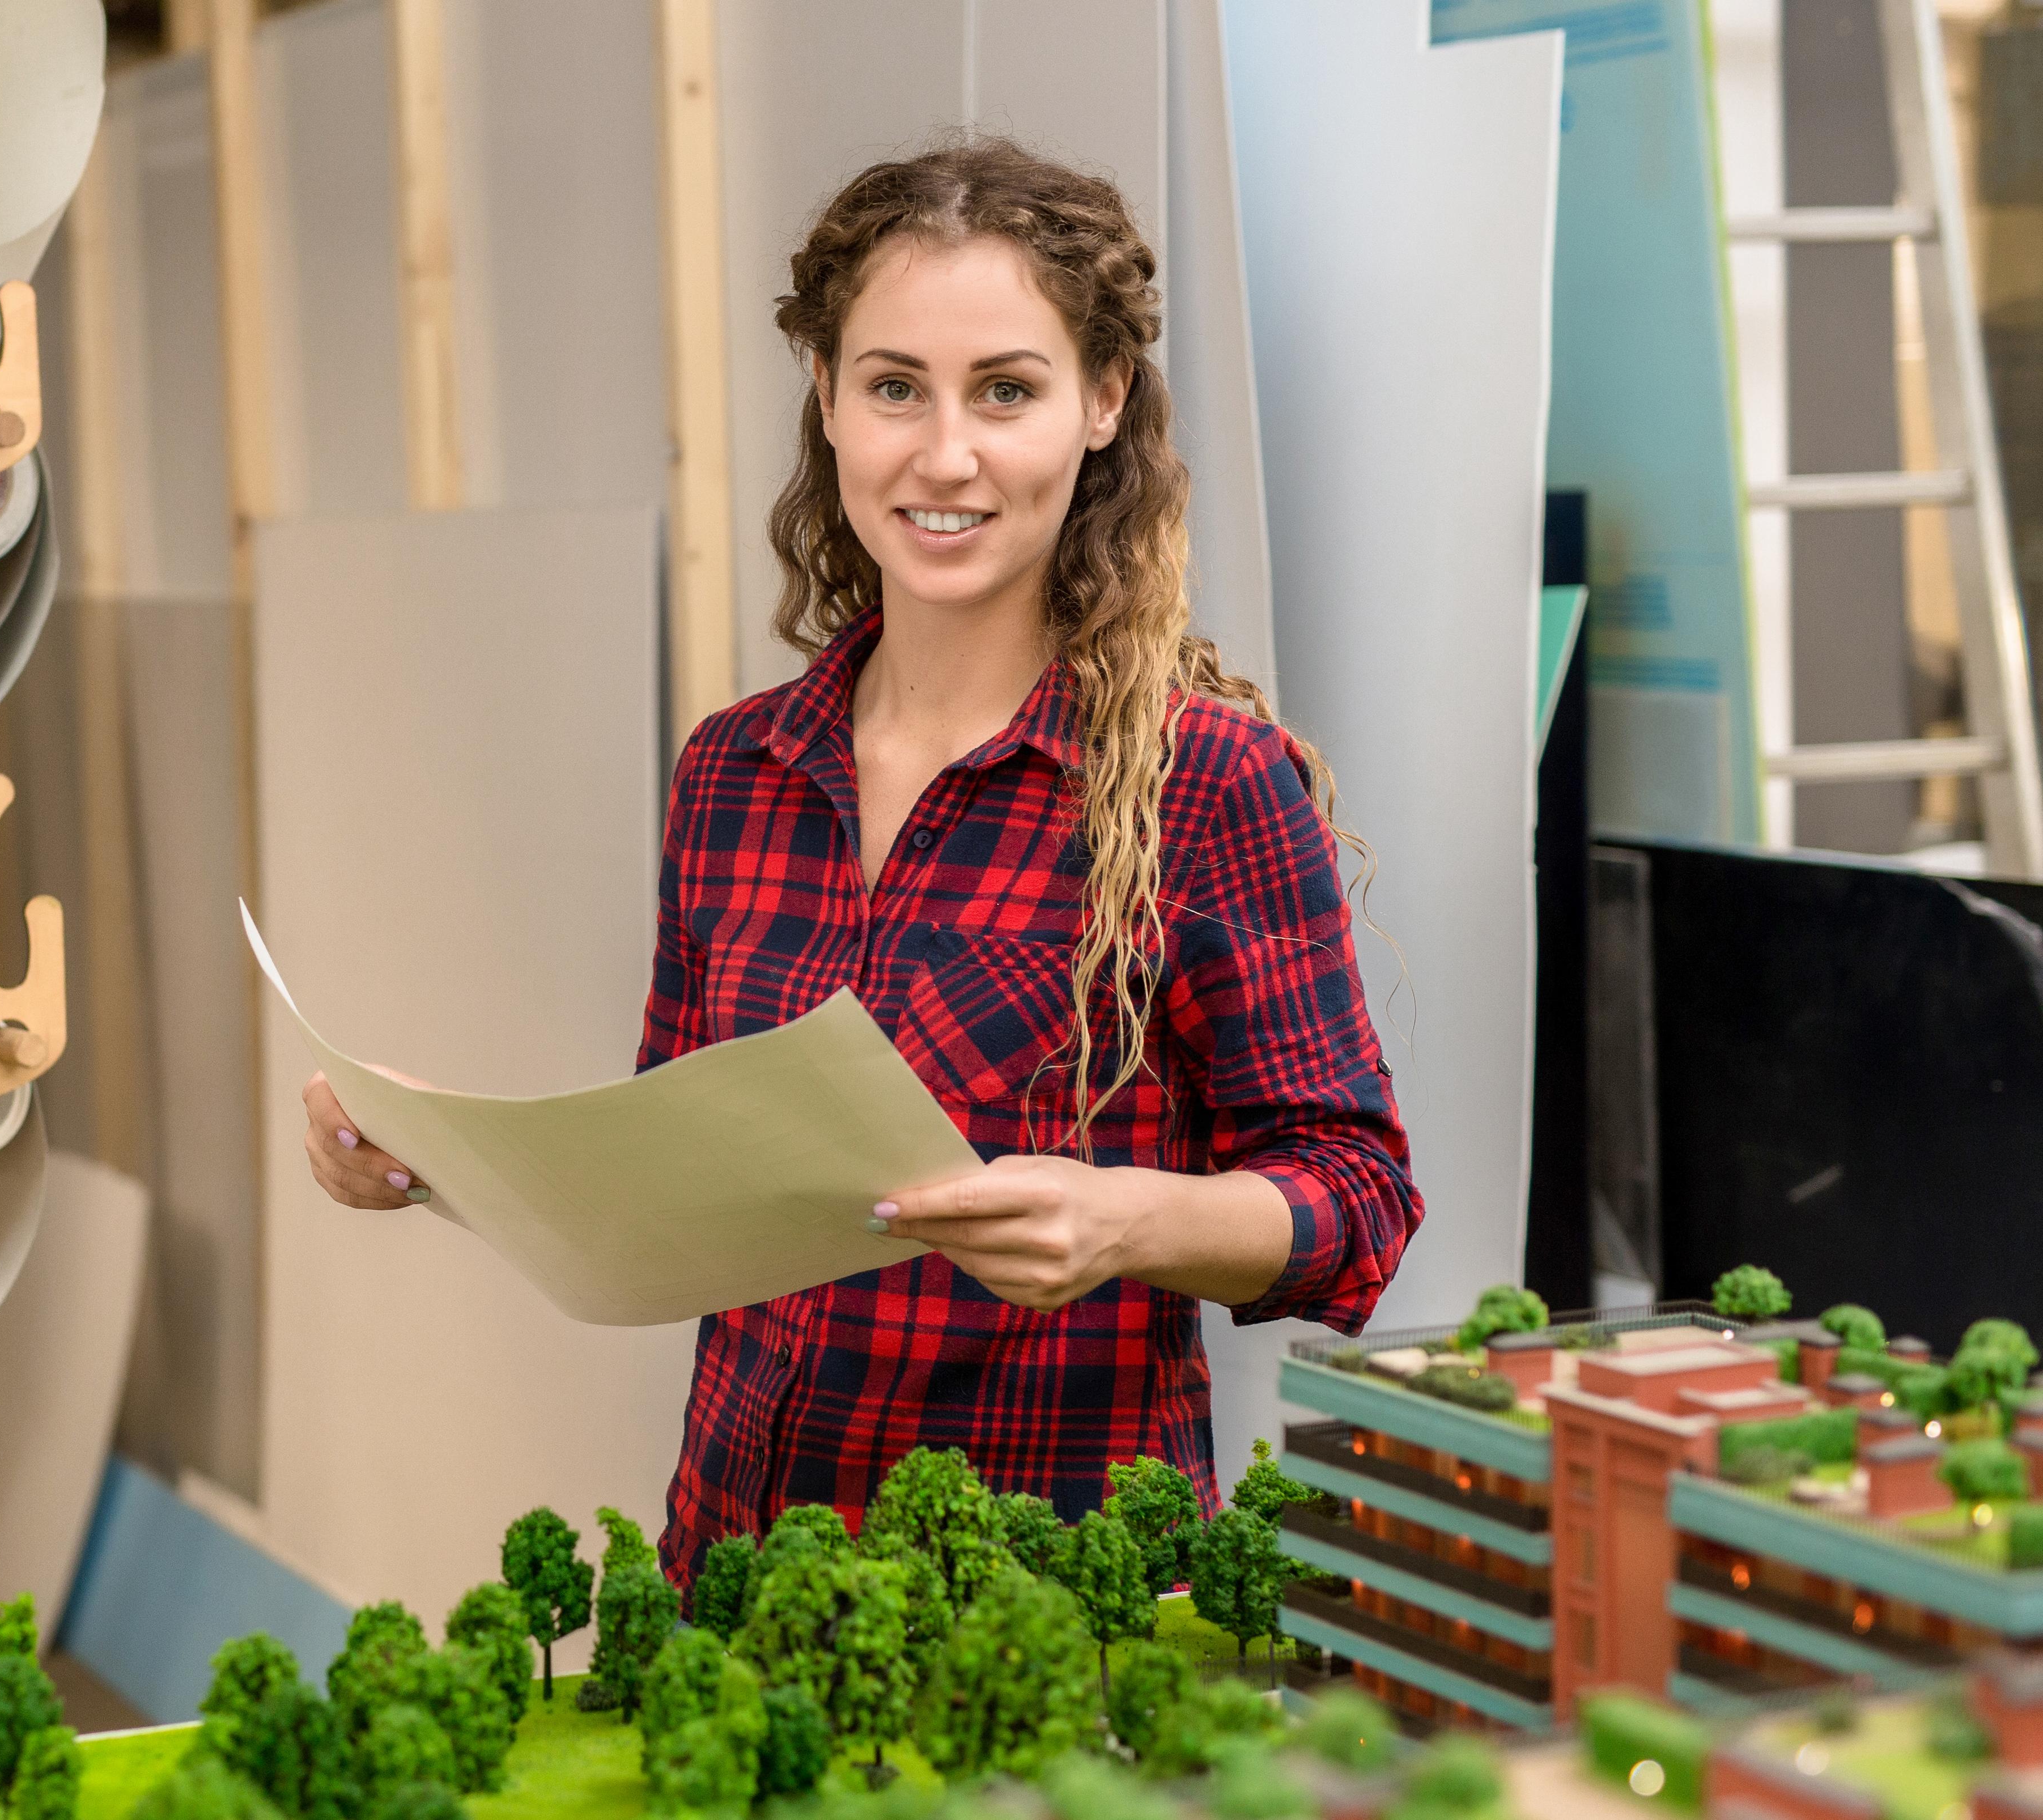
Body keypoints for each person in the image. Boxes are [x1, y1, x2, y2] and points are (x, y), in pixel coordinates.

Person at [296, 139, 1420, 1567]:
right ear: (827, 399)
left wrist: (1126, 1220)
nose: (943, 456)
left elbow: (1358, 1202)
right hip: (736, 1564)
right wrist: (441, 1156)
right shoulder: (734, 773)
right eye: (894, 386)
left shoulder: (1205, 782)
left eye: (1006, 391)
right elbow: (679, 1181)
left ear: (1102, 402)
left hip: (1041, 1603)